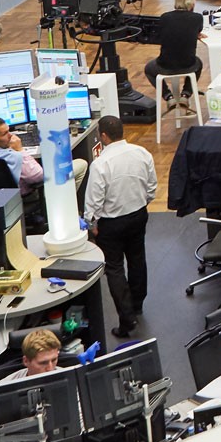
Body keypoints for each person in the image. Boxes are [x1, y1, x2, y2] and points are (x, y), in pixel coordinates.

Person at [85, 115, 156, 338]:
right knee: (137, 259)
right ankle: (138, 305)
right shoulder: (142, 153)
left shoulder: (100, 164)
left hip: (111, 224)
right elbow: (152, 187)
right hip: (138, 216)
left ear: (103, 136)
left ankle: (127, 320)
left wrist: (91, 223)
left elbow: (94, 201)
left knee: (114, 268)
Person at [0, 116, 86, 192]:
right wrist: (20, 150)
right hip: (24, 194)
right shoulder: (14, 156)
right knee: (81, 164)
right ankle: (63, 205)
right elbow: (39, 176)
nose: (11, 135)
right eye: (5, 133)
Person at [144, 0, 204, 103]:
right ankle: (186, 94)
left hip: (165, 65)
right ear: (192, 3)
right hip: (188, 64)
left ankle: (168, 96)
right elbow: (197, 30)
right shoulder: (197, 18)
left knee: (149, 69)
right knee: (199, 64)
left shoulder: (165, 17)